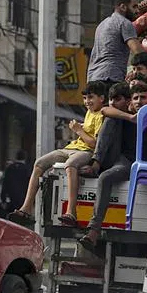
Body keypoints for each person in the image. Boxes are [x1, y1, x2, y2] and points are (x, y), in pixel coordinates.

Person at [8, 81, 108, 223]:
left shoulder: (102, 115)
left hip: (86, 151)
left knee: (70, 165)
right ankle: (26, 208)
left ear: (102, 98)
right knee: (39, 163)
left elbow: (94, 144)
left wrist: (78, 130)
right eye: (85, 98)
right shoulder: (89, 112)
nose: (87, 102)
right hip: (71, 148)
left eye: (91, 97)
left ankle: (71, 212)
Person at [72, 82, 147, 250]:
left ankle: (93, 230)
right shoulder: (121, 115)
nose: (139, 102)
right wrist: (130, 117)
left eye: (143, 98)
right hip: (115, 157)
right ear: (130, 101)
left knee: (105, 177)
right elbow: (105, 110)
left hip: (132, 163)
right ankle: (96, 163)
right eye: (136, 98)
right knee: (110, 119)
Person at [87, 0, 144, 86]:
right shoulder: (124, 23)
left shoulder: (102, 24)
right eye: (134, 7)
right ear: (123, 7)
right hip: (110, 77)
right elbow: (138, 52)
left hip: (93, 77)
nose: (137, 11)